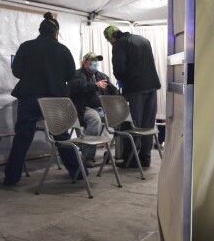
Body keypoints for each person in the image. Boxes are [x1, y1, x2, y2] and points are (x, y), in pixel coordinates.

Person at [3, 12, 83, 185]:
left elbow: (16, 71)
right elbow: (70, 75)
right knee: (61, 136)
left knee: (22, 137)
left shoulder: (26, 46)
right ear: (56, 32)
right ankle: (77, 172)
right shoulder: (63, 50)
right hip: (55, 99)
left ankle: (11, 178)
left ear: (40, 31)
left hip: (29, 97)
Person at [103, 25, 161, 168]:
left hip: (135, 89)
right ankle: (145, 159)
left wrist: (121, 79)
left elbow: (119, 69)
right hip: (152, 86)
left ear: (111, 37)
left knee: (132, 125)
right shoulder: (143, 40)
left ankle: (131, 160)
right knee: (147, 125)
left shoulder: (119, 44)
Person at [69, 52, 117, 165]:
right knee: (95, 119)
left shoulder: (102, 76)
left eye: (96, 61)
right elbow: (75, 88)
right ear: (85, 63)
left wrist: (120, 98)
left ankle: (117, 153)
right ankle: (88, 156)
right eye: (92, 61)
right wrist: (95, 85)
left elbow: (112, 90)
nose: (95, 63)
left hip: (101, 108)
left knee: (120, 118)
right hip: (84, 108)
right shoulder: (76, 74)